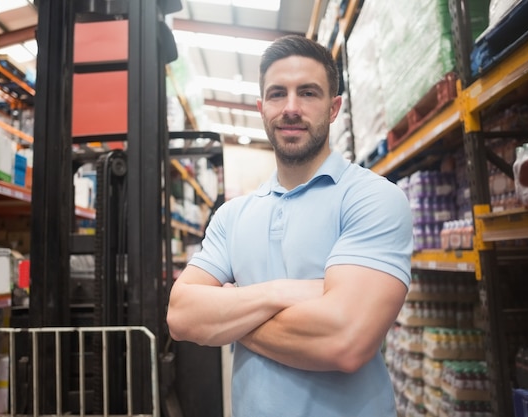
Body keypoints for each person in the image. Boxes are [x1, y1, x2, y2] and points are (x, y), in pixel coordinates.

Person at [166, 34, 412, 417]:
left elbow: (344, 341)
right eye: (278, 94)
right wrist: (288, 292)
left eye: (308, 93)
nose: (291, 108)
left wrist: (228, 316)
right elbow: (181, 316)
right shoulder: (233, 216)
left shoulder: (371, 198)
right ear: (262, 107)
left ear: (333, 108)